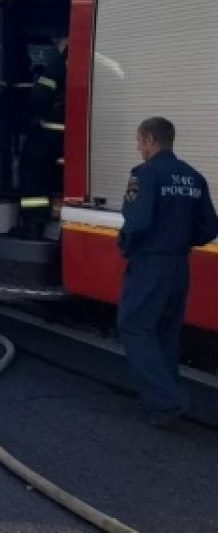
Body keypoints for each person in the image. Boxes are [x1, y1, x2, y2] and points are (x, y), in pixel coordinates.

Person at [117, 117, 218, 427]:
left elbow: (137, 222)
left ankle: (166, 401)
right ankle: (164, 395)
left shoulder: (145, 175)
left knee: (134, 326)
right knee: (164, 333)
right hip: (178, 265)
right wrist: (182, 241)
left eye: (138, 141)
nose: (137, 147)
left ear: (150, 139)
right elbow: (209, 227)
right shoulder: (194, 177)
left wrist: (126, 245)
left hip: (150, 264)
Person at [16, 37, 68, 238]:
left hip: (53, 130)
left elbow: (40, 94)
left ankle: (34, 222)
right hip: (71, 134)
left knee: (31, 167)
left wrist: (33, 117)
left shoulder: (59, 64)